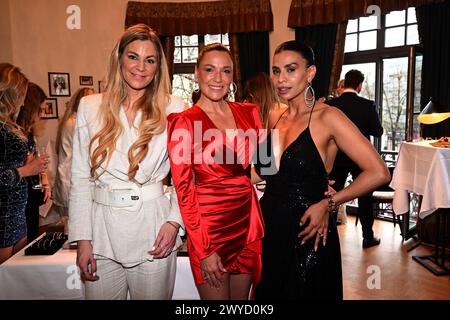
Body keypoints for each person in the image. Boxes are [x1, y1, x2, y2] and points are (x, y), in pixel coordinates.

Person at [252, 41, 390, 300]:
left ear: (310, 73)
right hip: (270, 225)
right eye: (276, 70)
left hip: (309, 229)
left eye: (291, 70)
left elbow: (379, 172)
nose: (281, 79)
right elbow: (262, 171)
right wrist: (214, 177)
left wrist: (329, 203)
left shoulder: (329, 118)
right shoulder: (274, 115)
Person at [68, 24, 185, 299]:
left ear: (158, 67)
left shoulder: (174, 107)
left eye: (150, 60)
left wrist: (173, 223)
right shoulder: (90, 106)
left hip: (154, 229)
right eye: (133, 56)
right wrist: (82, 240)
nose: (140, 67)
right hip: (100, 232)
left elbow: (185, 176)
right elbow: (80, 177)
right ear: (119, 58)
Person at [167, 43, 265, 300]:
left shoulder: (250, 112)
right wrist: (204, 249)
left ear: (233, 76)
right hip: (210, 230)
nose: (218, 78)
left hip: (247, 224)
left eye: (226, 71)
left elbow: (267, 167)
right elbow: (183, 189)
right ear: (197, 74)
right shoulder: (183, 122)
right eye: (210, 70)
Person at [327, 69, 384, 249]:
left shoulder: (331, 105)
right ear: (359, 85)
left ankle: (327, 236)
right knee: (365, 195)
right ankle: (367, 237)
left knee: (332, 194)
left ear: (344, 84)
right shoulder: (367, 105)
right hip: (361, 158)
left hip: (336, 156)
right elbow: (378, 131)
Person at [0, 63, 48, 264]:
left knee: (16, 275)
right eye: (21, 94)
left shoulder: (10, 124)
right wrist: (28, 169)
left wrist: (29, 163)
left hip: (17, 212)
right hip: (3, 213)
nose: (22, 101)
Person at [52, 87, 94, 229]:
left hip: (64, 178)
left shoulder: (69, 120)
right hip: (71, 180)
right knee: (76, 228)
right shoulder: (78, 123)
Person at [16, 83, 52, 243]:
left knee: (31, 236)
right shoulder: (13, 134)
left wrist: (44, 178)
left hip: (30, 195)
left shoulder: (28, 133)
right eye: (41, 110)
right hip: (18, 199)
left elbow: (34, 158)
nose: (42, 115)